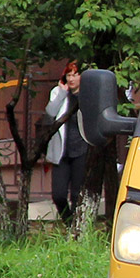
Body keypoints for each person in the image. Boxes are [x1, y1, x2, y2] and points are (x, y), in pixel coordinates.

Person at [45, 60, 88, 224]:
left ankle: (78, 227)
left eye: (75, 75)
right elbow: (50, 112)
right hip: (61, 150)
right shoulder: (58, 92)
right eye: (68, 75)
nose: (71, 79)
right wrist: (62, 93)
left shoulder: (88, 94)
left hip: (81, 149)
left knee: (77, 194)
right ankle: (69, 223)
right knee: (59, 195)